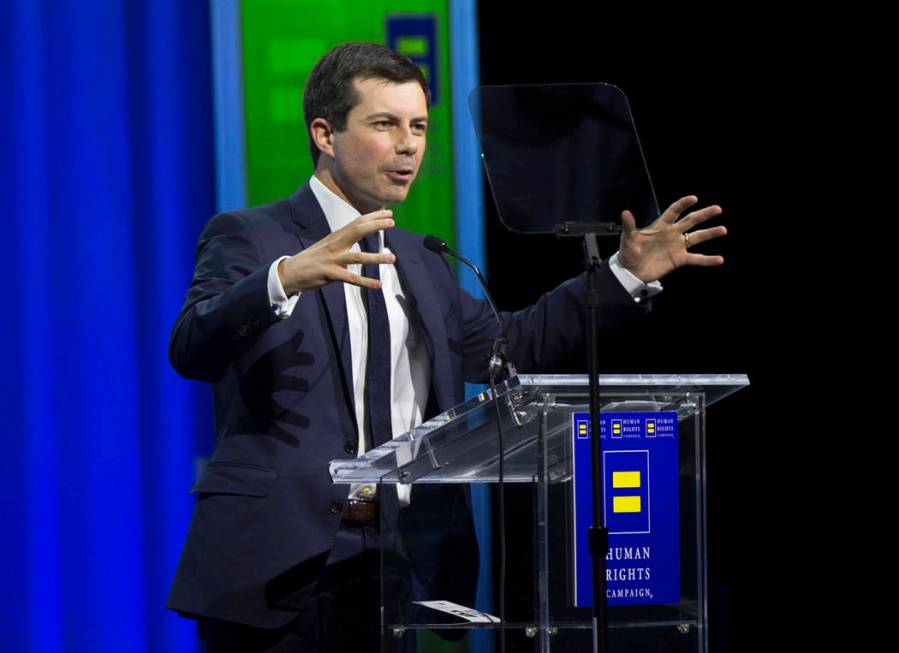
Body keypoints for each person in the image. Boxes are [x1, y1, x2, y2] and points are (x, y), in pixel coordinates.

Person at [167, 42, 726, 652]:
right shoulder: (253, 236)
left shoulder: (422, 261)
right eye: (385, 124)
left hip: (391, 567)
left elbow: (511, 348)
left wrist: (621, 274)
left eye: (419, 127)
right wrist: (284, 278)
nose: (409, 145)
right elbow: (192, 344)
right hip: (274, 567)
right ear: (325, 134)